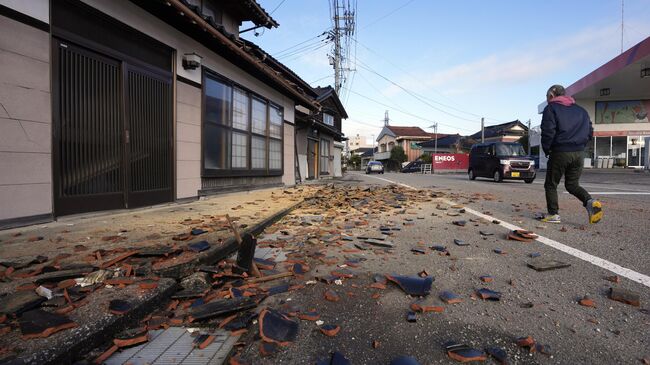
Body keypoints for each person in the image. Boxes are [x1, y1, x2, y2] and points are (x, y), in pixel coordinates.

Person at [540, 84, 603, 224]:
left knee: (551, 184)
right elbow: (590, 131)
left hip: (561, 151)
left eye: (547, 97)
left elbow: (548, 131)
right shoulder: (581, 111)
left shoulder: (551, 108)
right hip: (579, 153)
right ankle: (590, 202)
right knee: (572, 184)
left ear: (551, 95)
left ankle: (553, 214)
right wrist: (582, 145)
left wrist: (547, 149)